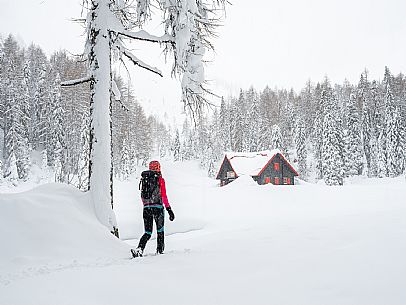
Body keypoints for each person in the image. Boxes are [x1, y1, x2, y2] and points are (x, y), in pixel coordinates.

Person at [131, 160, 175, 257]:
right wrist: (169, 210)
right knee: (160, 231)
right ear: (158, 168)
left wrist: (147, 205)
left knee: (147, 232)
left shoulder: (144, 179)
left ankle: (139, 249)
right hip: (158, 208)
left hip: (146, 209)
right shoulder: (160, 179)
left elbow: (142, 196)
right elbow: (163, 196)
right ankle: (160, 252)